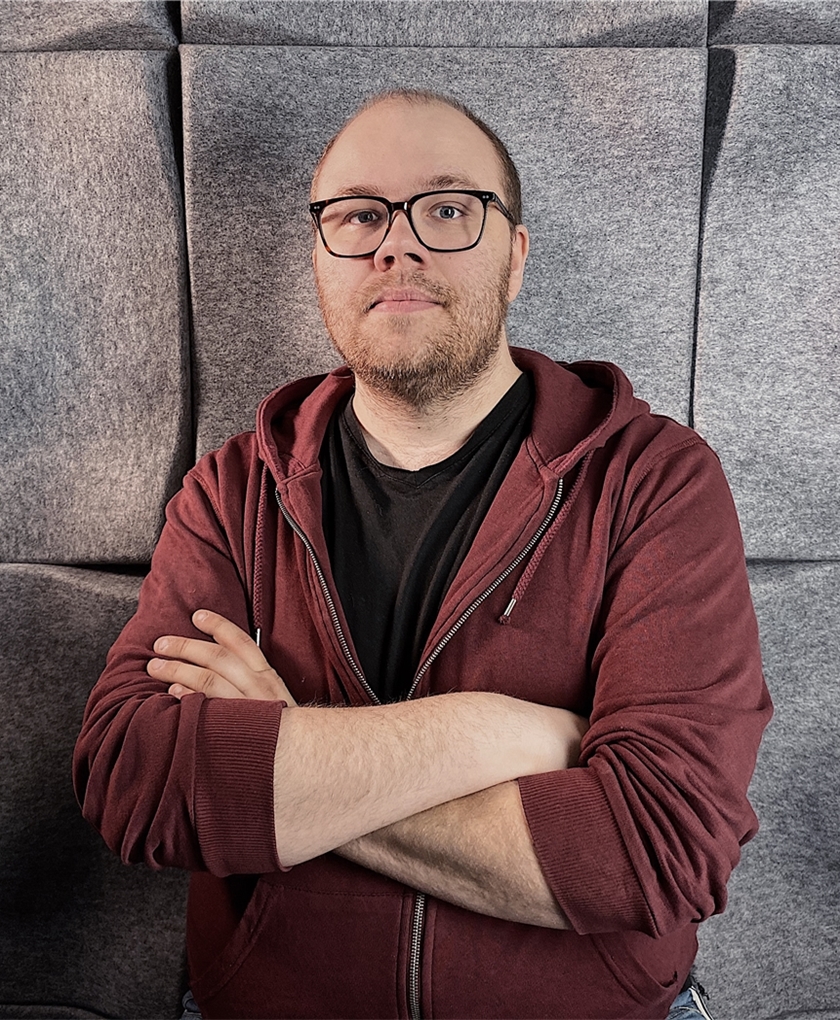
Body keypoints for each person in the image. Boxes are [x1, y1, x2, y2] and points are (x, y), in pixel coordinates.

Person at [73, 88, 771, 1020]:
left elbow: (660, 852)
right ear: (320, 261)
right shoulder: (232, 492)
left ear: (514, 257)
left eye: (447, 209)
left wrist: (283, 746)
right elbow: (136, 783)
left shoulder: (654, 481)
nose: (397, 245)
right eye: (359, 215)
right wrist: (496, 733)